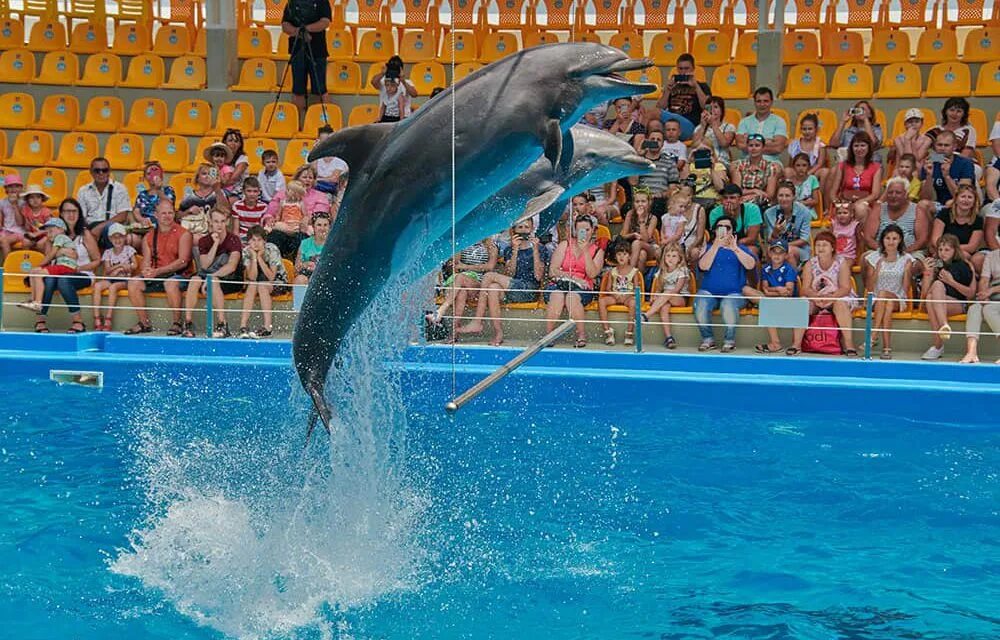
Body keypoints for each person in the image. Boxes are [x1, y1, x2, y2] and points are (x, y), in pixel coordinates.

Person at [455, 219, 548, 346]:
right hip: (513, 288)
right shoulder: (509, 250)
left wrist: (535, 250)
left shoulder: (540, 249)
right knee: (493, 288)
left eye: (526, 227)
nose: (523, 230)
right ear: (514, 231)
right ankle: (498, 333)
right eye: (520, 227)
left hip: (529, 290)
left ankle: (477, 321)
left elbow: (538, 276)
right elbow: (510, 274)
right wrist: (515, 250)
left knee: (488, 276)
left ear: (532, 230)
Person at [124, 199, 193, 336]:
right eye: (163, 213)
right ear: (156, 215)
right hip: (158, 275)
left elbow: (183, 261)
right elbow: (146, 262)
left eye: (170, 213)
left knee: (171, 283)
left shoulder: (184, 234)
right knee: (134, 282)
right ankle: (144, 323)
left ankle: (177, 323)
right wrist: (146, 271)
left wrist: (157, 271)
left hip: (179, 275)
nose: (167, 216)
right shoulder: (149, 236)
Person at [786, 231, 859, 356]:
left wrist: (831, 298)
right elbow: (805, 289)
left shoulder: (842, 263)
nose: (820, 248)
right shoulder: (810, 263)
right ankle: (796, 344)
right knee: (803, 304)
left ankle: (849, 344)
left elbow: (845, 288)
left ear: (832, 247)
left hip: (838, 296)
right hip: (817, 297)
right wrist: (816, 297)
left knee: (841, 304)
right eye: (818, 245)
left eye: (824, 245)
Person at [694, 216, 756, 352]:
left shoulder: (741, 248)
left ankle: (729, 340)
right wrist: (716, 245)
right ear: (715, 230)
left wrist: (734, 249)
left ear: (733, 231)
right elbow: (703, 266)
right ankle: (708, 339)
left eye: (727, 227)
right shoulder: (709, 248)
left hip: (734, 293)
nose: (724, 230)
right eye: (720, 227)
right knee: (700, 305)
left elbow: (751, 265)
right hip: (708, 292)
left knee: (728, 305)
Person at [544, 216, 605, 348]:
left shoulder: (598, 251)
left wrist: (585, 251)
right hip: (560, 283)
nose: (584, 233)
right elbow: (553, 271)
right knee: (557, 295)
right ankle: (548, 335)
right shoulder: (565, 245)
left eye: (587, 229)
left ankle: (581, 335)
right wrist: (573, 277)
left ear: (593, 230)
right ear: (575, 231)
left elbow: (592, 274)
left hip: (583, 288)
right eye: (580, 230)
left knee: (572, 297)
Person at [182, 209, 244, 338]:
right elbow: (205, 265)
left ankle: (222, 324)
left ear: (227, 222)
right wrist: (215, 243)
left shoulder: (234, 240)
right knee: (194, 280)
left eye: (222, 221)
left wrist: (211, 277)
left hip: (230, 279)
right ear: (210, 221)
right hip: (208, 276)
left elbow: (231, 266)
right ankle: (188, 323)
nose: (219, 225)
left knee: (214, 282)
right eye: (216, 221)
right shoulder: (204, 240)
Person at [17, 217, 85, 333]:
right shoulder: (55, 240)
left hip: (66, 267)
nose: (48, 234)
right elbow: (52, 254)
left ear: (61, 229)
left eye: (51, 231)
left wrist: (40, 265)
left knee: (38, 273)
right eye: (47, 232)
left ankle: (38, 302)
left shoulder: (60, 237)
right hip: (62, 266)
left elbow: (51, 255)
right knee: (34, 272)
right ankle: (33, 300)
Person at [863, 224, 914, 360]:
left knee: (885, 295)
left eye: (894, 238)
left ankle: (873, 335)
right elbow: (869, 287)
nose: (891, 242)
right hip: (877, 300)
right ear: (882, 240)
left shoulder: (907, 258)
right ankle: (886, 349)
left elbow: (906, 287)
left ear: (900, 240)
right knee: (887, 303)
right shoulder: (874, 257)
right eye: (887, 238)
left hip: (899, 298)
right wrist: (877, 270)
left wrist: (908, 271)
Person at [428, 237, 498, 335]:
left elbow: (490, 266)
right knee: (461, 292)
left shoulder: (490, 245)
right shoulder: (464, 241)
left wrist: (465, 266)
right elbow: (455, 265)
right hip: (460, 284)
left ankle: (441, 310)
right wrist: (458, 248)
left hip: (480, 283)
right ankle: (455, 331)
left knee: (461, 278)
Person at [921, 234, 975, 360]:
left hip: (959, 303)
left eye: (947, 250)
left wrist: (951, 282)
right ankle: (943, 329)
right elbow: (924, 296)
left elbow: (970, 294)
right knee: (930, 297)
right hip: (937, 303)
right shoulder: (937, 266)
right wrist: (927, 273)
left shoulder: (963, 266)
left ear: (955, 250)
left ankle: (938, 344)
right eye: (940, 249)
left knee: (937, 287)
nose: (942, 253)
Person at [742, 239, 797, 354]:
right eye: (774, 252)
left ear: (786, 255)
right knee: (746, 290)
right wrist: (777, 289)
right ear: (769, 254)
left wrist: (772, 293)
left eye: (780, 253)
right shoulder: (766, 268)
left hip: (785, 302)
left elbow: (788, 292)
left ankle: (775, 343)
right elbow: (765, 290)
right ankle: (775, 343)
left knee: (768, 305)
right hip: (770, 300)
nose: (777, 255)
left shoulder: (789, 269)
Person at [280, 0, 332, 117]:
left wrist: (306, 29)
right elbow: (285, 25)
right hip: (297, 50)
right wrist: (298, 32)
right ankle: (297, 122)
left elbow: (325, 22)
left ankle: (325, 120)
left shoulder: (322, 2)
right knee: (298, 90)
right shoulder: (291, 2)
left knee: (321, 90)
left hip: (317, 51)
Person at [238, 225, 288, 339]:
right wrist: (254, 258)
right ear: (249, 241)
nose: (256, 243)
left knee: (261, 285)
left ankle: (267, 327)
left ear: (264, 241)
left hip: (277, 281)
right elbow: (252, 277)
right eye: (253, 240)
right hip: (258, 281)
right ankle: (243, 326)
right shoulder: (246, 251)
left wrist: (260, 258)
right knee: (252, 285)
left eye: (259, 240)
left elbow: (271, 277)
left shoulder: (272, 249)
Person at [863, 176, 930, 260]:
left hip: (910, 252)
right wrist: (884, 251)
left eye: (898, 193)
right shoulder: (878, 209)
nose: (893, 195)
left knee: (916, 262)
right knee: (866, 258)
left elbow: (922, 240)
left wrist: (903, 252)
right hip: (881, 252)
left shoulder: (917, 211)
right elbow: (868, 237)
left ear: (906, 194)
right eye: (890, 192)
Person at [827, 131, 882, 222]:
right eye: (856, 146)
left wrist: (859, 202)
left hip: (865, 203)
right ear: (851, 148)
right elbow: (833, 192)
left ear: (868, 147)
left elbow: (875, 194)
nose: (859, 149)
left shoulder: (876, 167)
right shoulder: (843, 166)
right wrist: (839, 204)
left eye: (862, 145)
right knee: (843, 212)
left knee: (860, 208)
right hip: (845, 203)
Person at [643, 242, 689, 349]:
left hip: (680, 298)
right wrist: (655, 296)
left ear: (679, 258)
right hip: (666, 298)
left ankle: (646, 315)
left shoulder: (682, 270)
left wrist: (660, 296)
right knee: (664, 307)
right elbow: (659, 288)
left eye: (674, 256)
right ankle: (669, 338)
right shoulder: (662, 271)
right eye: (668, 256)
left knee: (668, 293)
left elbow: (676, 290)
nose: (670, 259)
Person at [91, 222, 136, 332]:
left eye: (120, 236)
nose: (117, 240)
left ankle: (108, 317)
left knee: (113, 287)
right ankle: (97, 317)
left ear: (125, 237)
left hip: (124, 279)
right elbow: (107, 270)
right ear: (110, 239)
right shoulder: (108, 252)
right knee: (97, 286)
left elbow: (134, 265)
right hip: (111, 278)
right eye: (114, 237)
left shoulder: (129, 250)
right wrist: (120, 266)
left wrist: (121, 269)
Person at [654, 53, 710, 139]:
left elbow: (706, 107)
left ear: (693, 69)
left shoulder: (702, 86)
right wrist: (667, 90)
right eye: (680, 69)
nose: (683, 72)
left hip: (690, 125)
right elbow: (660, 107)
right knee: (654, 125)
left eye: (686, 68)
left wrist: (696, 87)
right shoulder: (672, 86)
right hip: (671, 124)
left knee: (653, 113)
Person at [76, 157, 132, 244]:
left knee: (113, 231)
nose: (101, 173)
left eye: (104, 170)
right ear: (91, 172)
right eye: (97, 170)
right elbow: (81, 216)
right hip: (91, 226)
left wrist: (100, 227)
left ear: (109, 171)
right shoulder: (83, 190)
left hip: (113, 227)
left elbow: (122, 216)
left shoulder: (119, 188)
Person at [598, 243, 643, 346]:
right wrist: (615, 294)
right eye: (619, 254)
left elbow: (636, 289)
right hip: (615, 297)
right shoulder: (612, 272)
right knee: (601, 301)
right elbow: (608, 288)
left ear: (629, 256)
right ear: (615, 256)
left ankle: (629, 333)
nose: (622, 257)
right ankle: (608, 331)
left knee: (633, 303)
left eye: (624, 254)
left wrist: (626, 296)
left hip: (628, 297)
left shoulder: (634, 271)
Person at [960, 247, 1000, 364]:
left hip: (994, 294)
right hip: (993, 297)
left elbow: (990, 289)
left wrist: (991, 291)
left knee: (989, 309)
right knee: (975, 308)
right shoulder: (992, 256)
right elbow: (983, 280)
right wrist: (984, 296)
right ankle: (971, 352)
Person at [919, 130, 975, 209]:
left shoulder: (965, 163)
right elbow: (925, 197)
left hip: (961, 205)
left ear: (954, 147)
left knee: (950, 203)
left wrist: (947, 176)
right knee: (923, 204)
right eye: (939, 145)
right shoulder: (930, 162)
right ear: (935, 146)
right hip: (940, 204)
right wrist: (929, 176)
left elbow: (963, 197)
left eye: (946, 145)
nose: (942, 148)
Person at [762, 182, 812, 267]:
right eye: (781, 195)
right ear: (776, 197)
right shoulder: (769, 213)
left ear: (793, 197)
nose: (784, 199)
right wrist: (775, 232)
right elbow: (770, 240)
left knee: (789, 251)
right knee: (771, 252)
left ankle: (792, 279)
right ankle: (774, 278)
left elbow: (804, 240)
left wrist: (783, 246)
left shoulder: (804, 212)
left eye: (787, 196)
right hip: (776, 247)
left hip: (799, 248)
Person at [930, 184, 984, 262]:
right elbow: (935, 240)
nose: (966, 200)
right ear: (956, 199)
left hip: (963, 253)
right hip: (942, 250)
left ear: (974, 201)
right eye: (963, 196)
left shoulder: (978, 220)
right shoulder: (944, 214)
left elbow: (972, 247)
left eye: (970, 197)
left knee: (965, 255)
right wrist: (947, 250)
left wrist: (952, 250)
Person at [178, 163, 230, 242]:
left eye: (210, 174)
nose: (207, 176)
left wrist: (217, 190)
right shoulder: (190, 196)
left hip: (215, 233)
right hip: (196, 231)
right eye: (204, 174)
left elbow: (227, 211)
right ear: (197, 178)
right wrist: (188, 211)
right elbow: (178, 216)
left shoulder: (220, 193)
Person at [130, 161, 176, 249]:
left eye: (156, 172)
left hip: (163, 228)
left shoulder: (168, 190)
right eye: (149, 173)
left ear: (161, 175)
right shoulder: (142, 194)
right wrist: (141, 219)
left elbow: (169, 205)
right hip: (145, 228)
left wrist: (159, 190)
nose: (153, 176)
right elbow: (136, 211)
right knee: (130, 238)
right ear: (145, 177)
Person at [707, 184, 762, 257]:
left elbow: (752, 238)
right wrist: (727, 217)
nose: (728, 201)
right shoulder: (715, 213)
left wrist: (734, 246)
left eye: (732, 198)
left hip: (746, 245)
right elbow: (720, 237)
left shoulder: (752, 209)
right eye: (725, 198)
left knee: (752, 251)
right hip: (722, 244)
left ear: (741, 200)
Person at [735, 87, 787, 164]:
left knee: (776, 170)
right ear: (754, 102)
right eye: (759, 101)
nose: (762, 104)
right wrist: (767, 142)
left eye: (766, 101)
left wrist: (750, 143)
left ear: (771, 102)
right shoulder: (744, 121)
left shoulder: (779, 121)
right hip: (746, 161)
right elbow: (740, 144)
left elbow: (778, 148)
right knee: (733, 167)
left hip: (771, 162)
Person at [630, 124, 680, 198]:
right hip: (642, 200)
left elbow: (673, 188)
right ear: (647, 141)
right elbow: (633, 182)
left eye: (658, 140)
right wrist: (639, 157)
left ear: (663, 144)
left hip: (661, 200)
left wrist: (660, 195)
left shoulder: (670, 162)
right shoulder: (639, 161)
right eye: (652, 139)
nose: (655, 142)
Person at [264, 179, 310, 259]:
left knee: (305, 230)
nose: (286, 191)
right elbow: (278, 214)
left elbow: (305, 215)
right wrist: (276, 220)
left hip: (296, 224)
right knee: (276, 225)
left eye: (288, 190)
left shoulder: (300, 203)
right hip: (285, 224)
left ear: (295, 193)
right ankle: (267, 231)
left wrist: (304, 221)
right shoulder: (283, 202)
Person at [731, 133, 779, 208]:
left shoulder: (771, 167)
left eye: (757, 145)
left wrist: (752, 196)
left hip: (761, 201)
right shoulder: (739, 165)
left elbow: (769, 194)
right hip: (742, 199)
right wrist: (754, 191)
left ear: (763, 148)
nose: (753, 148)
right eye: (751, 145)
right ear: (747, 147)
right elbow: (736, 191)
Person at [690, 95, 735, 167]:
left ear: (721, 111)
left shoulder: (729, 127)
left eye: (716, 107)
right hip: (701, 160)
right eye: (709, 107)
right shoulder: (699, 127)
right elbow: (694, 145)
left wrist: (713, 124)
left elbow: (724, 144)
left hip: (721, 162)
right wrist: (703, 126)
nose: (712, 110)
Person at [620, 187, 658, 268]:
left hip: (649, 247)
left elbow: (646, 239)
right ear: (633, 203)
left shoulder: (653, 218)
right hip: (633, 247)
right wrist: (633, 235)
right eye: (637, 201)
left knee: (637, 243)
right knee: (642, 255)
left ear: (649, 202)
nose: (640, 204)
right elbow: (623, 235)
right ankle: (638, 279)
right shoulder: (630, 214)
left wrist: (641, 220)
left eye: (643, 201)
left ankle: (629, 273)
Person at [786, 113, 828, 183]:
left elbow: (820, 164)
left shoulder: (820, 145)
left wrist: (808, 174)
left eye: (810, 129)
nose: (807, 131)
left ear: (816, 129)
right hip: (797, 172)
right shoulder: (794, 144)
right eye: (804, 129)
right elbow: (791, 163)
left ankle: (819, 193)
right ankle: (791, 191)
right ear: (800, 129)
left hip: (813, 173)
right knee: (787, 170)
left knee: (824, 172)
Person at [686, 143, 728, 213]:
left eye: (706, 151)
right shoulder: (688, 166)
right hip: (692, 201)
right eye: (699, 151)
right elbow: (685, 190)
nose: (703, 153)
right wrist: (688, 163)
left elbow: (721, 188)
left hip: (712, 202)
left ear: (711, 152)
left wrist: (712, 168)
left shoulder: (718, 166)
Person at [293, 211, 329, 284]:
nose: (322, 228)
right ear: (313, 226)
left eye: (325, 225)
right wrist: (305, 264)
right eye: (319, 225)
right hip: (308, 276)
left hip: (327, 277)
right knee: (299, 279)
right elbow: (296, 269)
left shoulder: (333, 243)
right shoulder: (305, 243)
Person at [312, 125, 348, 195]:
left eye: (328, 140)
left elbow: (334, 179)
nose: (325, 143)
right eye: (322, 140)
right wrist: (315, 151)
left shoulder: (340, 158)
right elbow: (313, 174)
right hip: (315, 189)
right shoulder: (312, 156)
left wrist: (317, 179)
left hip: (332, 191)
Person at [231, 176, 269, 242]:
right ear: (243, 191)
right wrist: (238, 242)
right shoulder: (237, 206)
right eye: (249, 191)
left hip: (257, 237)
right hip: (242, 236)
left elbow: (262, 229)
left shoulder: (263, 207)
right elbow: (235, 230)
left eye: (255, 191)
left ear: (259, 192)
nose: (252, 194)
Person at [19, 184, 53, 253]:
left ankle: (43, 261)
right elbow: (27, 227)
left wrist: (37, 234)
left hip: (46, 234)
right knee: (25, 242)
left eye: (38, 197)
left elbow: (50, 229)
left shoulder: (46, 212)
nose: (35, 200)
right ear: (27, 200)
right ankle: (27, 259)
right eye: (31, 197)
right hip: (34, 235)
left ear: (42, 199)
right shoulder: (26, 210)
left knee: (40, 244)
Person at [788, 152, 820, 222]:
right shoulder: (789, 181)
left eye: (804, 165)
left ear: (808, 166)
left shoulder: (812, 179)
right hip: (792, 211)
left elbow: (816, 200)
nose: (801, 168)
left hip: (808, 210)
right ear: (793, 167)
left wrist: (801, 203)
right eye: (798, 165)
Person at [830, 199, 862, 270]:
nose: (842, 215)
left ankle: (844, 280)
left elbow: (860, 242)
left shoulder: (855, 225)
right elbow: (829, 240)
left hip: (849, 256)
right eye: (839, 213)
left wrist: (859, 258)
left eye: (845, 213)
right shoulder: (834, 224)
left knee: (844, 267)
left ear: (851, 214)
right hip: (835, 255)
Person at [0, 173, 25, 259]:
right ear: (6, 189)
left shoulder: (23, 203)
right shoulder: (2, 202)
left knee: (4, 241)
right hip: (6, 230)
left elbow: (21, 222)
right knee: (3, 238)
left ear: (21, 188)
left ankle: (7, 267)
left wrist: (15, 205)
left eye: (16, 186)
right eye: (10, 186)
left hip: (19, 232)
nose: (13, 189)